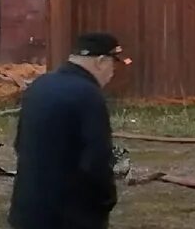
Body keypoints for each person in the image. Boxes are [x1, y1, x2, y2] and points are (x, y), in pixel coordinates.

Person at [9, 32, 132, 229]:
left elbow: (20, 144)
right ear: (100, 61)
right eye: (113, 64)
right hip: (70, 217)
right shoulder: (89, 96)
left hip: (27, 211)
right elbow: (97, 161)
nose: (113, 72)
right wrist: (106, 200)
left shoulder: (39, 86)